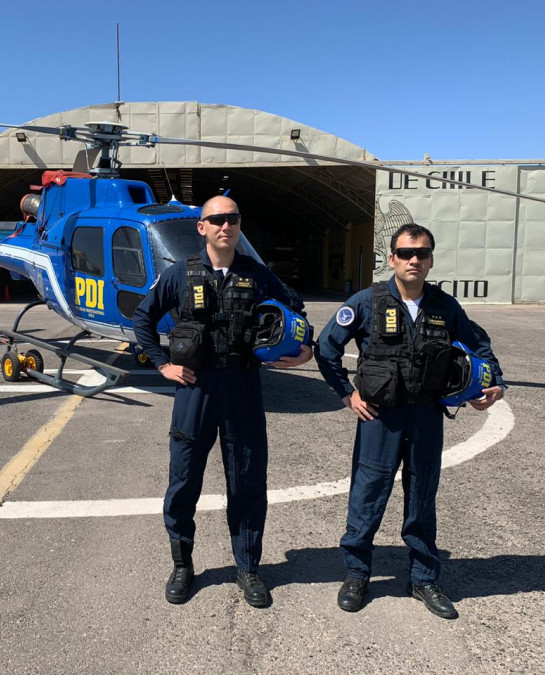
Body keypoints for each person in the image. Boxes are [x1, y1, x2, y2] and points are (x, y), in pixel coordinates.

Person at [314, 222, 505, 619]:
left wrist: (493, 385)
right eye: (405, 253)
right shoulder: (367, 302)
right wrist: (347, 395)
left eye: (421, 253)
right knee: (368, 495)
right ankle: (356, 573)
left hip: (426, 416)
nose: (413, 260)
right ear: (392, 259)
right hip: (380, 418)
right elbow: (326, 348)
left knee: (421, 498)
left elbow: (479, 347)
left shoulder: (445, 307)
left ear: (431, 260)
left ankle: (422, 578)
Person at [132, 195, 312, 607]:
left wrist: (304, 350)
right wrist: (161, 365)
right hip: (195, 389)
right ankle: (182, 565)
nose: (224, 226)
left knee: (247, 483)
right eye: (216, 220)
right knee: (183, 482)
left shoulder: (258, 274)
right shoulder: (180, 273)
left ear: (238, 225)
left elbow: (298, 313)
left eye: (232, 219)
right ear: (202, 227)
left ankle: (247, 567)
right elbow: (142, 318)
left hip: (243, 386)